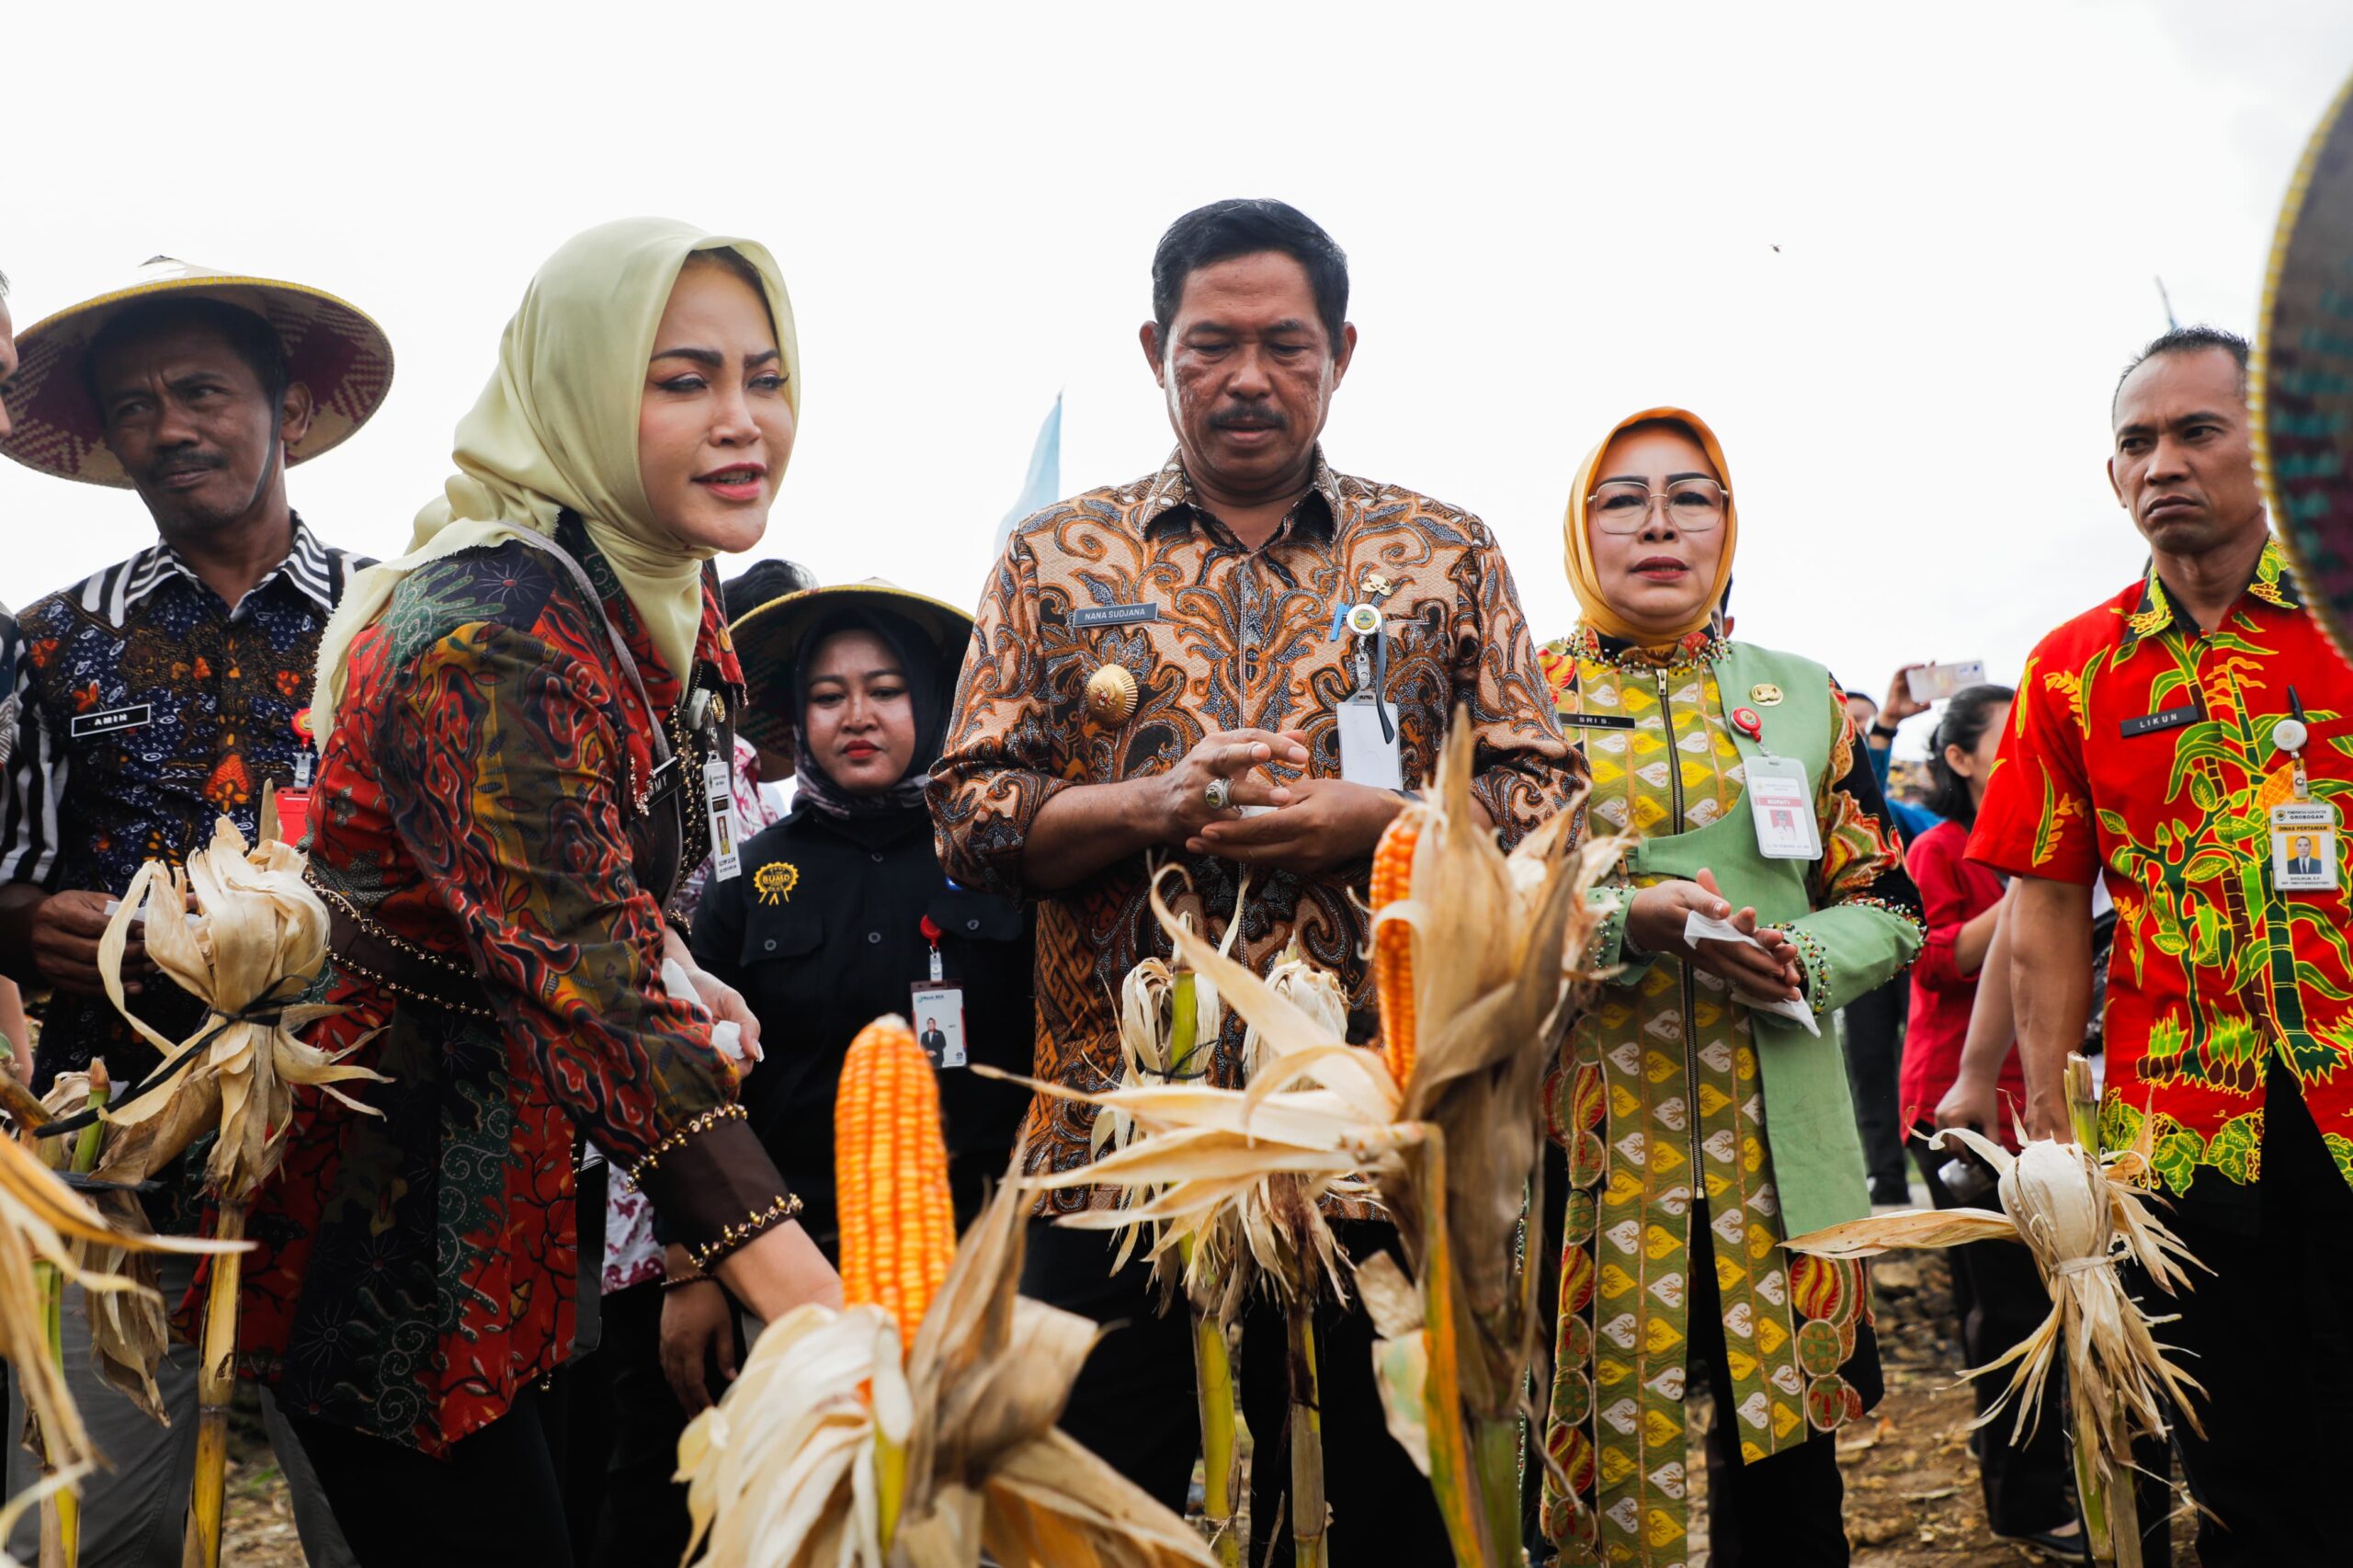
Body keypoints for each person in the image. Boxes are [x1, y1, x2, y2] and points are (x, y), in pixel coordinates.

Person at [928, 197, 1581, 1562]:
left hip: (1371, 1136)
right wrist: (1146, 804)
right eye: (1210, 346)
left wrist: (1381, 818)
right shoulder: (1052, 558)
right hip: (1113, 1139)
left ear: (1341, 350)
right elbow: (973, 815)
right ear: (1155, 349)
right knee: (1107, 1505)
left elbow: (1546, 803)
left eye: (1284, 345)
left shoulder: (1441, 553)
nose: (1246, 378)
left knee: (1380, 1506)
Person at [233, 219, 840, 1568]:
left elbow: (605, 899)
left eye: (766, 374)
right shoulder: (490, 632)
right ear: (574, 387)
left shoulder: (651, 586)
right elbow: (586, 974)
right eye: (682, 380)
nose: (744, 423)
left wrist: (687, 971)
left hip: (543, 1206)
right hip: (407, 1241)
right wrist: (806, 1297)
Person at [0, 257, 384, 1568]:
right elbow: (9, 869)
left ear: (282, 400)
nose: (168, 428)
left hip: (359, 1138)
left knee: (388, 1529)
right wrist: (24, 920)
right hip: (117, 1146)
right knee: (93, 1534)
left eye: (202, 390)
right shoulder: (51, 641)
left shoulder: (398, 624)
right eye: (133, 406)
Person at [1970, 325, 2353, 1566]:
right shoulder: (2071, 673)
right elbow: (2043, 900)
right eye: (2137, 441)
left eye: (2199, 431)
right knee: (2237, 1445)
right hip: (2183, 1122)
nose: (2162, 463)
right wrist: (2050, 1124)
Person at [1531, 407, 1923, 1567]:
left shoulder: (1806, 697)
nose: (1659, 522)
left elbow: (1889, 900)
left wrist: (1797, 953)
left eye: (1691, 496)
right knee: (1589, 1472)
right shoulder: (1519, 698)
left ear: (1727, 524)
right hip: (1584, 1145)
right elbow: (1466, 904)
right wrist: (1620, 923)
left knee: (1792, 1487)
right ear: (1580, 530)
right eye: (1622, 498)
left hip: (1775, 1149)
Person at [679, 579, 1033, 1399]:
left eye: (886, 690)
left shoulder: (999, 861)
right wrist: (691, 1265)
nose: (857, 716)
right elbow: (694, 1079)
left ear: (937, 704)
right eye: (828, 696)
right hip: (793, 1266)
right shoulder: (746, 877)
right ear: (800, 720)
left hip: (981, 1259)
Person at [563, 551, 818, 1567]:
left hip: (726, 1199)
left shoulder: (753, 798)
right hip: (666, 1200)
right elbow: (646, 1019)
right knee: (655, 1480)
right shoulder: (650, 775)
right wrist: (679, 1254)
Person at [1899, 684, 2087, 1561]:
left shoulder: (2068, 835)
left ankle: (2069, 1479)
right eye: (2006, 739)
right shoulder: (1939, 850)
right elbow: (1934, 962)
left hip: (2054, 1101)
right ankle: (2024, 1506)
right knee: (2008, 1314)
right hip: (1963, 1107)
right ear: (1961, 761)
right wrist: (2025, 895)